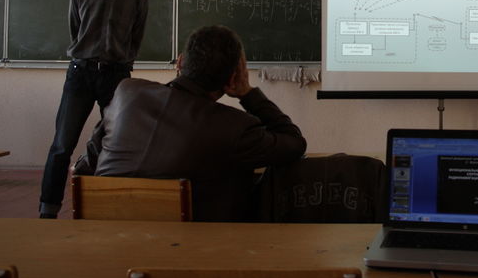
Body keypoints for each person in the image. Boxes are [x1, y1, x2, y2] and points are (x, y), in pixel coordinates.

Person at [75, 25, 307, 221]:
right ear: (232, 79)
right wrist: (247, 93)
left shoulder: (127, 93)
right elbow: (294, 143)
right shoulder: (234, 127)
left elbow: (87, 165)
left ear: (180, 62)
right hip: (183, 251)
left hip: (104, 238)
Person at [39, 0, 148, 218]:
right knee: (62, 144)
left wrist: (119, 63)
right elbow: (76, 31)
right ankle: (47, 210)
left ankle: (111, 207)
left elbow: (135, 40)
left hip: (116, 76)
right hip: (81, 73)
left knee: (119, 144)